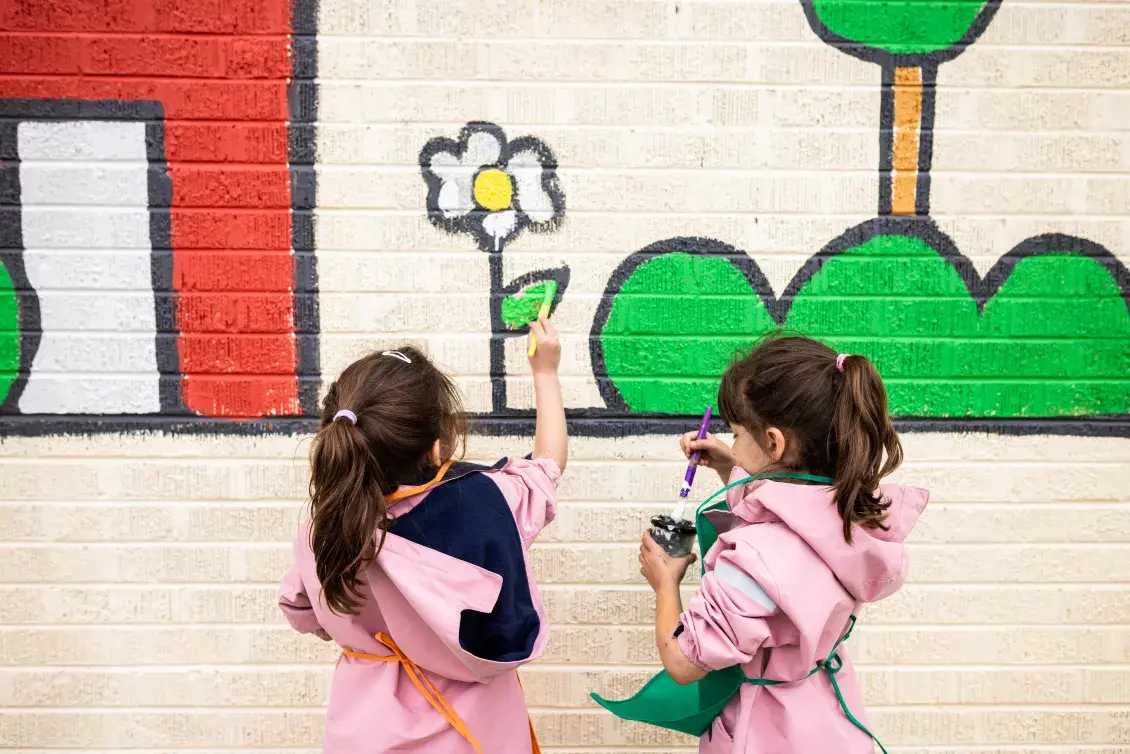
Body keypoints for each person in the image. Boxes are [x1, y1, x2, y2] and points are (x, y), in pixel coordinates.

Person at [279, 319, 566, 753]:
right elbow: (548, 465)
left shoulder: (323, 528)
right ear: (435, 447)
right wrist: (545, 372)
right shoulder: (487, 504)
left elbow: (301, 608)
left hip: (363, 734)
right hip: (469, 736)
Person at [638, 334, 929, 753]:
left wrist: (665, 582)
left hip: (767, 733)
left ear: (774, 443)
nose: (733, 444)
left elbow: (685, 662)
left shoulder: (756, 561)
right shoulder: (849, 515)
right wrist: (731, 464)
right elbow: (785, 513)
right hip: (828, 720)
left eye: (737, 434)